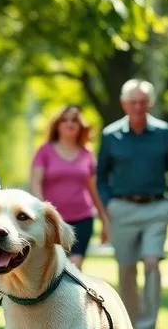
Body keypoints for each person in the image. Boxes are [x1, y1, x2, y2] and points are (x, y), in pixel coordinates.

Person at [97, 79, 168, 329]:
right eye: (133, 102)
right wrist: (109, 204)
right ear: (125, 104)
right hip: (122, 208)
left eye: (143, 102)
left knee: (151, 263)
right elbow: (101, 177)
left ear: (150, 103)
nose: (138, 107)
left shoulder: (162, 133)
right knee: (126, 270)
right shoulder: (111, 135)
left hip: (156, 208)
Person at [30, 104, 110, 270]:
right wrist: (40, 210)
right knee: (55, 267)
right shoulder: (44, 152)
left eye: (74, 120)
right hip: (53, 220)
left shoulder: (87, 154)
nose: (69, 123)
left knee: (75, 265)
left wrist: (104, 220)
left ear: (81, 126)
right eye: (64, 120)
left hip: (82, 219)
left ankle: (75, 296)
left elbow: (94, 190)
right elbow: (36, 182)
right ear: (57, 125)